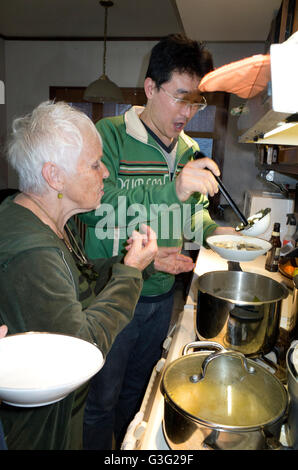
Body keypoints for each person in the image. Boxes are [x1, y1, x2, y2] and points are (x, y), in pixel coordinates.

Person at [81, 34, 236, 450]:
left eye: (196, 102)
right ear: (151, 88)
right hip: (111, 296)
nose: (188, 112)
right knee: (100, 402)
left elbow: (194, 212)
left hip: (160, 298)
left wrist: (218, 234)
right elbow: (100, 209)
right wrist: (174, 189)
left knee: (136, 395)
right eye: (180, 98)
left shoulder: (188, 149)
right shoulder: (109, 136)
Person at [0, 100, 158, 450]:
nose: (105, 174)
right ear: (54, 175)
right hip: (41, 431)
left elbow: (78, 278)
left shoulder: (44, 218)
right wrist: (129, 275)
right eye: (95, 164)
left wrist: (129, 262)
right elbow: (78, 349)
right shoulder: (33, 253)